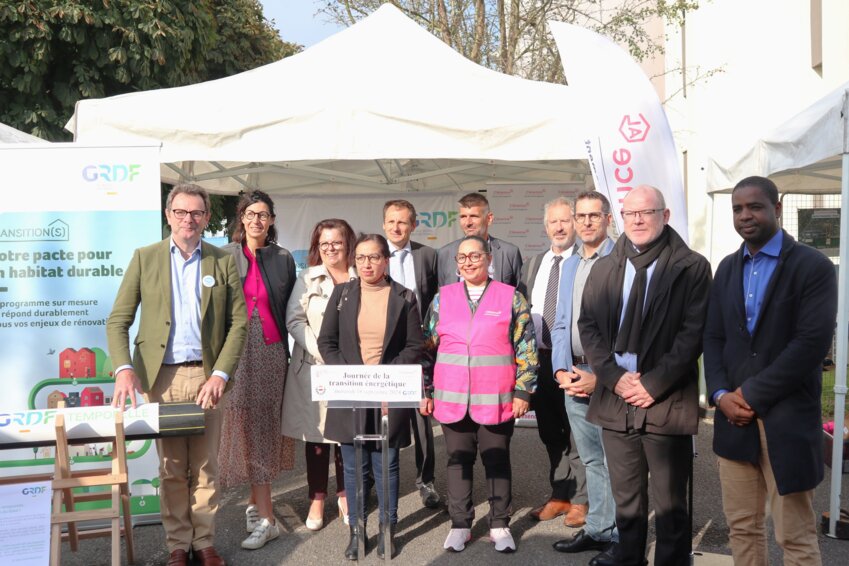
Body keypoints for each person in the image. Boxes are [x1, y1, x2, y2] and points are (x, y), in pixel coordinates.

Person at [107, 183, 247, 566]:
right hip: (161, 380)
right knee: (171, 468)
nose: (189, 219)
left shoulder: (221, 261)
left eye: (197, 213)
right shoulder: (145, 258)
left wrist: (220, 374)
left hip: (206, 379)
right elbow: (119, 320)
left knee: (205, 465)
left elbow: (239, 323)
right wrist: (123, 369)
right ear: (168, 215)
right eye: (182, 212)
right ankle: (177, 546)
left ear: (205, 217)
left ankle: (204, 542)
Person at [704, 176, 836, 565]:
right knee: (742, 529)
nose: (745, 216)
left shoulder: (813, 267)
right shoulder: (727, 269)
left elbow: (810, 344)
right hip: (733, 422)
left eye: (755, 207)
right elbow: (712, 338)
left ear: (777, 209)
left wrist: (748, 394)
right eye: (737, 209)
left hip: (787, 420)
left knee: (794, 537)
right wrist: (719, 395)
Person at [579, 185, 711, 566]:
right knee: (627, 496)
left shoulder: (691, 267)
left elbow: (693, 333)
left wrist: (653, 384)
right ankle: (629, 556)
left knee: (670, 502)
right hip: (615, 396)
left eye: (647, 212)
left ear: (664, 216)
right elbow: (588, 326)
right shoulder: (605, 265)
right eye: (630, 213)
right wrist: (613, 376)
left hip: (665, 398)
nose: (637, 220)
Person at [422, 235, 538, 554]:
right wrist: (425, 390)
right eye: (462, 258)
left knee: (496, 460)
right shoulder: (441, 299)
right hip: (451, 397)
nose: (469, 262)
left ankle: (500, 523)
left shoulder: (511, 297)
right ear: (456, 264)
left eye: (475, 256)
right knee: (457, 461)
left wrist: (524, 391)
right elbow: (427, 350)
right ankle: (460, 524)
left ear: (489, 259)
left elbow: (526, 346)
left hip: (497, 398)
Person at [318, 233, 424, 561]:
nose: (366, 264)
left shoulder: (404, 297)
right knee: (352, 466)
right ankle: (357, 531)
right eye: (361, 258)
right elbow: (327, 343)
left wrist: (384, 376)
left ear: (385, 260)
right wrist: (350, 376)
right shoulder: (342, 294)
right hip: (350, 393)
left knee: (386, 462)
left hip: (388, 393)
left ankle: (388, 529)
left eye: (374, 257)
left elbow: (414, 346)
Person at [218, 190, 297, 550]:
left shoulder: (282, 259)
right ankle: (256, 504)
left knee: (263, 428)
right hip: (234, 353)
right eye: (250, 214)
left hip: (269, 351)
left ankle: (266, 517)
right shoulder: (224, 257)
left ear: (272, 220)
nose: (256, 221)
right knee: (244, 427)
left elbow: (289, 308)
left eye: (263, 214)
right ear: (241, 218)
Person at [551, 191, 619, 565]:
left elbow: (627, 329)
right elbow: (561, 321)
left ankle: (622, 536)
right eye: (581, 216)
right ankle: (598, 528)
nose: (587, 222)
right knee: (591, 459)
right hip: (572, 375)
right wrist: (560, 369)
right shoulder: (570, 264)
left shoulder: (622, 262)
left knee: (615, 461)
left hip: (606, 378)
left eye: (595, 216)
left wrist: (602, 377)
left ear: (608, 219)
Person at [517, 196, 588, 526]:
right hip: (540, 362)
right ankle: (560, 495)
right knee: (550, 433)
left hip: (573, 362)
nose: (559, 227)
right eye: (553, 222)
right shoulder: (533, 264)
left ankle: (583, 500)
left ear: (574, 223)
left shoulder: (586, 261)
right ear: (545, 227)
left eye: (565, 220)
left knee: (579, 432)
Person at [282, 219, 356, 531]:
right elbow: (294, 319)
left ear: (347, 244)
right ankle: (316, 496)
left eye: (336, 242)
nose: (329, 249)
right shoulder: (308, 277)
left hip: (351, 369)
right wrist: (320, 350)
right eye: (323, 244)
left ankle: (345, 494)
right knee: (316, 437)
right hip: (313, 367)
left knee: (345, 434)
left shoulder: (361, 276)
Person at [382, 199, 441, 509]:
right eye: (391, 221)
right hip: (384, 349)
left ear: (414, 225)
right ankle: (380, 481)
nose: (396, 227)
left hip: (419, 347)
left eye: (403, 222)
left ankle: (426, 480)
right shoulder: (373, 255)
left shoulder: (428, 256)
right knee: (383, 419)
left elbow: (436, 299)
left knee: (423, 418)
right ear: (383, 224)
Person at [436, 192, 522, 287]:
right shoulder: (445, 253)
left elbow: (519, 293)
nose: (468, 223)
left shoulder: (509, 252)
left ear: (489, 218)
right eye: (463, 217)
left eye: (474, 216)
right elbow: (442, 295)